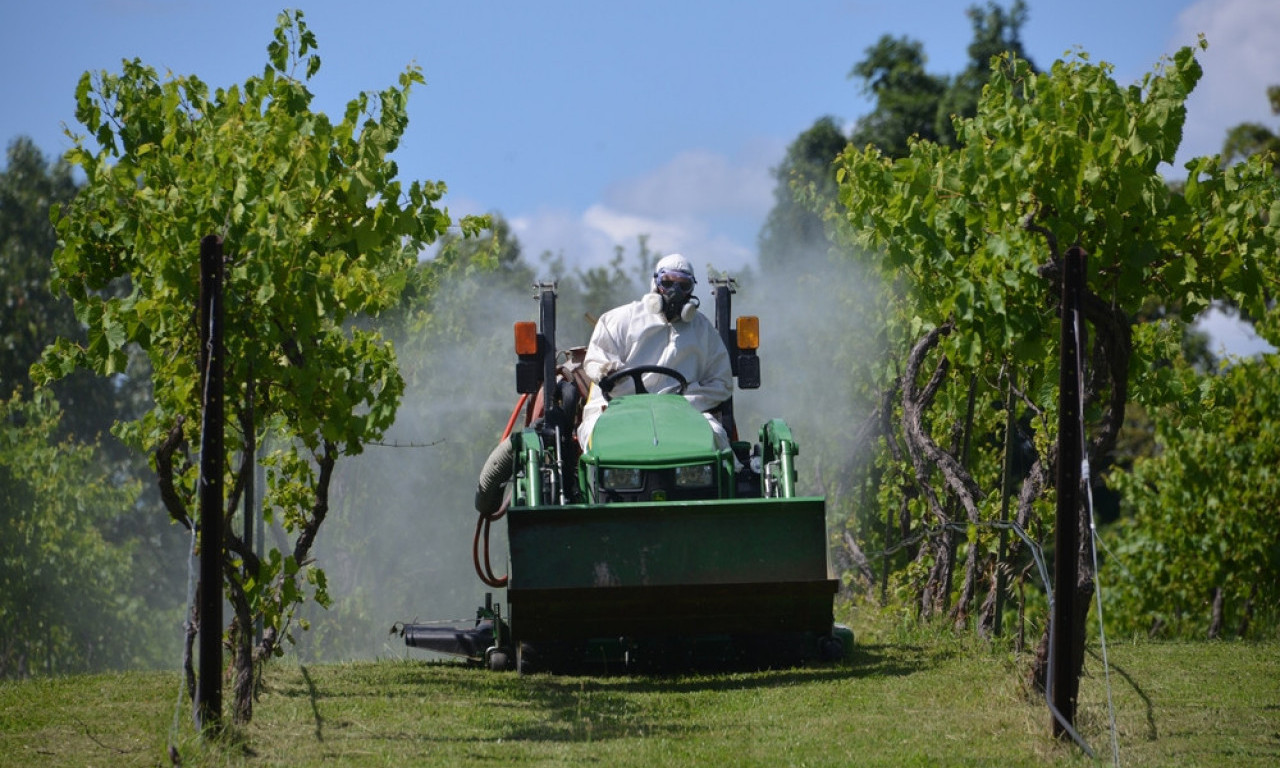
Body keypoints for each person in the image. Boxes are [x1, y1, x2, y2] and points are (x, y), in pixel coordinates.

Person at [575, 253, 734, 451]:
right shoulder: (619, 320)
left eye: (683, 285)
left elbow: (722, 382)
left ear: (691, 290)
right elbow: (596, 360)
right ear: (655, 283)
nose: (674, 292)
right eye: (667, 283)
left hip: (683, 414)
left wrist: (684, 403)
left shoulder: (703, 330)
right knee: (598, 443)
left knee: (717, 440)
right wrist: (608, 373)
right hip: (616, 411)